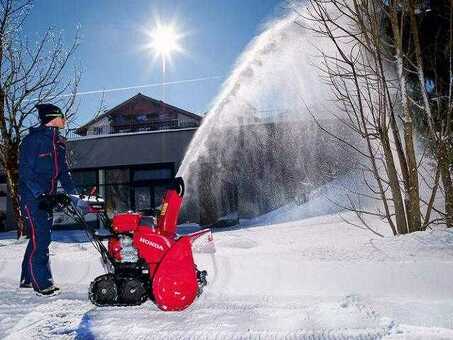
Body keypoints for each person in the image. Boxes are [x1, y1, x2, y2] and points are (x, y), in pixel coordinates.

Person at [18, 103, 84, 296]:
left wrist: (76, 197)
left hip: (47, 196)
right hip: (32, 196)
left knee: (39, 236)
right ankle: (42, 284)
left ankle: (27, 278)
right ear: (53, 118)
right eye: (62, 117)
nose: (65, 120)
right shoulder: (32, 141)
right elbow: (25, 173)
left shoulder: (59, 143)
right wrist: (40, 194)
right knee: (43, 237)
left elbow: (64, 174)